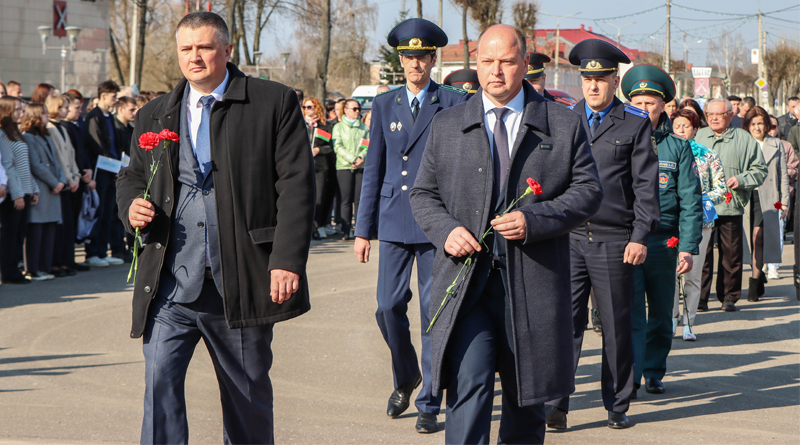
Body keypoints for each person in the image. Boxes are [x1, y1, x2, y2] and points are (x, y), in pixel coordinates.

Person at [116, 11, 315, 444]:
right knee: (159, 384)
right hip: (170, 282)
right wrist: (131, 205)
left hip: (241, 279)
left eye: (205, 47)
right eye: (186, 49)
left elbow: (297, 186)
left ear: (227, 49)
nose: (195, 57)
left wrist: (285, 260)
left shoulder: (273, 102)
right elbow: (131, 175)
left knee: (246, 397)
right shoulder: (154, 113)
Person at [410, 24, 603, 443]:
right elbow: (423, 194)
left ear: (525, 62)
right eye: (486, 61)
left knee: (525, 398)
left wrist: (536, 220)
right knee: (469, 386)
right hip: (466, 283)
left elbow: (589, 191)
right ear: (475, 64)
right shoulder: (447, 124)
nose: (495, 71)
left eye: (507, 61)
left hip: (533, 283)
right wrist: (446, 230)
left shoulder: (561, 122)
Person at [353, 17, 468, 434]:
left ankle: (429, 400)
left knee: (433, 314)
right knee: (387, 307)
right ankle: (406, 376)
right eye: (407, 58)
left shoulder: (453, 102)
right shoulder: (384, 104)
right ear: (399, 61)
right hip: (394, 220)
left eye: (420, 57)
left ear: (433, 59)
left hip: (436, 222)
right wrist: (362, 229)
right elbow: (373, 169)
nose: (414, 65)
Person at [545, 39, 660, 430]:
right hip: (570, 238)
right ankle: (557, 403)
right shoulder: (565, 119)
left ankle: (617, 403)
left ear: (615, 80)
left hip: (614, 239)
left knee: (615, 325)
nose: (592, 86)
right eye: (587, 78)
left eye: (600, 78)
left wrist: (640, 236)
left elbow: (645, 186)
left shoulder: (634, 122)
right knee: (565, 324)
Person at [622, 65, 703, 396]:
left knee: (659, 312)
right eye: (637, 102)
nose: (643, 109)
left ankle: (654, 370)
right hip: (626, 241)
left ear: (663, 107)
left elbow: (690, 200)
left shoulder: (677, 147)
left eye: (650, 103)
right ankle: (630, 374)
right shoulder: (619, 140)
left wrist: (687, 246)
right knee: (628, 314)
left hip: (662, 243)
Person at [697, 98, 767, 312]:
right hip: (703, 207)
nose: (714, 118)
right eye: (710, 114)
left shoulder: (744, 139)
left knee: (731, 254)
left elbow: (760, 170)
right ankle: (699, 298)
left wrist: (742, 180)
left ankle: (729, 297)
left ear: (730, 115)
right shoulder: (699, 137)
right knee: (702, 254)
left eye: (719, 114)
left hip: (730, 205)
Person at [670, 108, 727, 341]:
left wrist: (700, 199)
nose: (681, 130)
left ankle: (689, 323)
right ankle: (671, 319)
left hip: (700, 222)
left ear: (695, 129)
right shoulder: (665, 152)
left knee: (692, 274)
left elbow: (721, 189)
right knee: (671, 275)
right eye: (677, 126)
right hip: (671, 223)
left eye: (686, 126)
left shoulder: (707, 155)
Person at [742, 106, 789, 302]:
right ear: (748, 125)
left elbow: (783, 176)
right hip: (745, 196)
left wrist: (784, 202)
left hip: (768, 197)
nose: (757, 128)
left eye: (760, 123)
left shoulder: (776, 144)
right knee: (746, 239)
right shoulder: (742, 143)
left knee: (758, 236)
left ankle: (754, 281)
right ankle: (758, 274)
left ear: (767, 125)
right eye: (753, 124)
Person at [20, 103, 65, 281]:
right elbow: (35, 164)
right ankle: (33, 269)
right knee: (36, 230)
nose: (47, 116)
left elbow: (57, 160)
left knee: (50, 228)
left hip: (54, 187)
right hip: (42, 187)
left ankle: (45, 267)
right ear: (35, 116)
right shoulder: (28, 137)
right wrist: (55, 182)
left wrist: (62, 180)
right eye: (44, 114)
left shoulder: (47, 135)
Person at [83, 80, 124, 267]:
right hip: (100, 171)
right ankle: (92, 252)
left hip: (111, 171)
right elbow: (97, 145)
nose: (116, 100)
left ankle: (102, 251)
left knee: (107, 213)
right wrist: (113, 166)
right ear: (103, 96)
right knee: (98, 212)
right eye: (113, 97)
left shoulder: (109, 117)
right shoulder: (94, 116)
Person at [0, 96, 38, 285]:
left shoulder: (16, 132)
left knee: (19, 233)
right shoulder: (3, 134)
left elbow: (24, 165)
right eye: (17, 110)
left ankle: (14, 268)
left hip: (25, 189)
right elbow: (8, 166)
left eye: (21, 109)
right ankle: (8, 271)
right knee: (10, 234)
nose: (21, 113)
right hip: (14, 194)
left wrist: (34, 188)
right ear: (6, 111)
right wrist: (17, 194)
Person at [44, 95, 81, 277]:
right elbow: (57, 157)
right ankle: (57, 262)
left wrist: (76, 175)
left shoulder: (63, 128)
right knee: (59, 226)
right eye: (64, 107)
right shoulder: (50, 128)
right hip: (62, 182)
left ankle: (67, 260)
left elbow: (70, 154)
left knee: (68, 224)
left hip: (70, 181)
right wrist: (68, 178)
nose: (66, 110)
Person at [766, 114, 799, 278]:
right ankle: (761, 263)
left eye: (774, 126)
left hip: (780, 194)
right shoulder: (756, 145)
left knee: (778, 229)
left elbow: (794, 168)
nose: (771, 129)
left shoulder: (785, 146)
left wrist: (781, 172)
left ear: (778, 128)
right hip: (760, 194)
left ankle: (773, 265)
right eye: (768, 126)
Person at [332, 99, 368, 240]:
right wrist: (352, 159)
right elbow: (338, 146)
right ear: (346, 110)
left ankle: (359, 231)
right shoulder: (338, 128)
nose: (357, 111)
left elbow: (367, 145)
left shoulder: (363, 128)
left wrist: (360, 158)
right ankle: (345, 229)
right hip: (344, 167)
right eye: (354, 109)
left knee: (359, 199)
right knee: (346, 200)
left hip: (360, 166)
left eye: (358, 109)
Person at [302, 96, 334, 240]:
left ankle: (317, 225)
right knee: (305, 197)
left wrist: (318, 150)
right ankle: (307, 226)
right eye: (304, 107)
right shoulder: (299, 124)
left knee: (319, 196)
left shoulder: (324, 126)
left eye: (309, 107)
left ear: (317, 108)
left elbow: (330, 147)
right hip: (303, 166)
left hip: (320, 166)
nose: (307, 110)